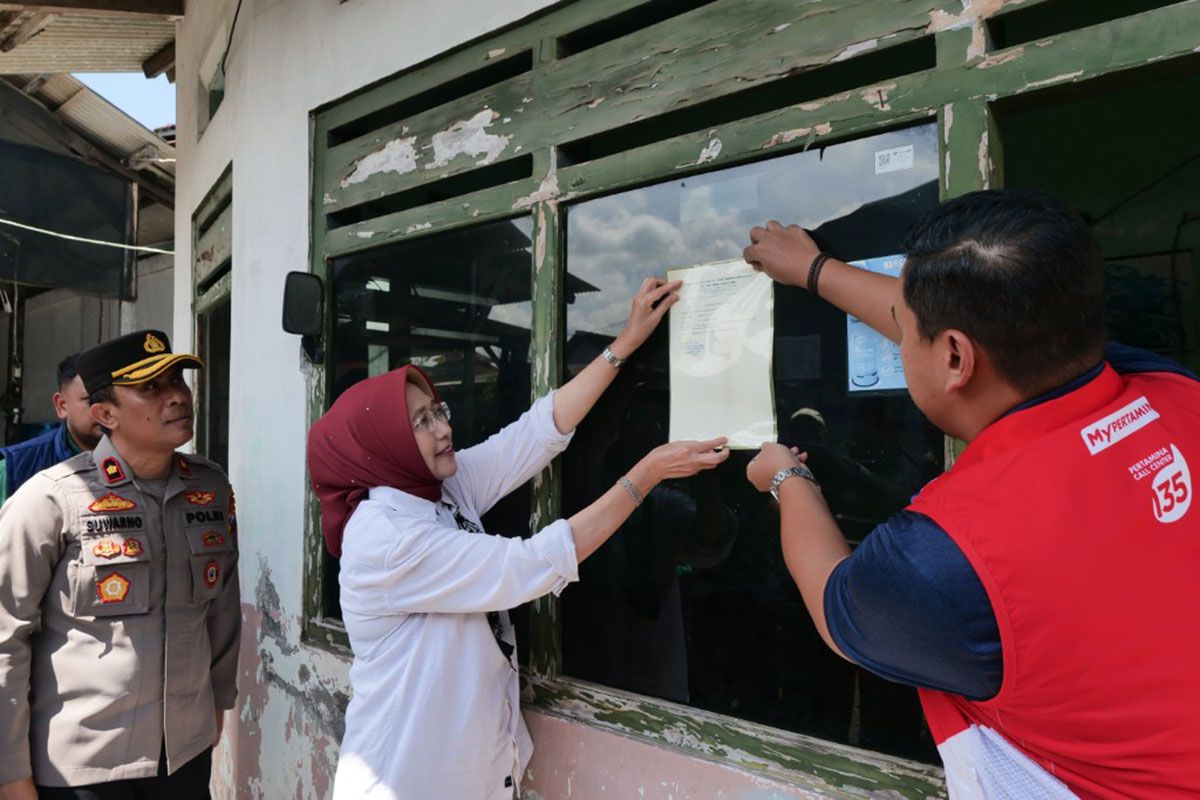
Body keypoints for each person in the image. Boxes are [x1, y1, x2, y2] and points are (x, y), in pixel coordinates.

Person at [742, 189, 1200, 799]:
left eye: (904, 329)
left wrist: (785, 478)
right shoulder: (1171, 391)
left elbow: (835, 602)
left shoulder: (949, 556)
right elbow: (983, 329)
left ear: (955, 356)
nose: (900, 339)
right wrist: (813, 269)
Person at [308, 278, 729, 800]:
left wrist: (625, 343)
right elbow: (531, 564)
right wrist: (646, 475)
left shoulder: (438, 489)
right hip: (405, 780)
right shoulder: (386, 538)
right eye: (420, 421)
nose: (443, 428)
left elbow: (535, 433)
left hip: (470, 776)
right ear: (382, 445)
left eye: (438, 410)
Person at [0, 329, 240, 800]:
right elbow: (6, 636)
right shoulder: (52, 499)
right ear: (105, 414)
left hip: (184, 754)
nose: (177, 396)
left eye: (178, 380)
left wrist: (218, 701)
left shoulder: (209, 488)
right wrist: (9, 772)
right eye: (151, 387)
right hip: (83, 766)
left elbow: (222, 608)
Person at [0, 353, 103, 505]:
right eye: (91, 400)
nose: (105, 409)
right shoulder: (15, 468)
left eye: (111, 399)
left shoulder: (138, 460)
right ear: (61, 405)